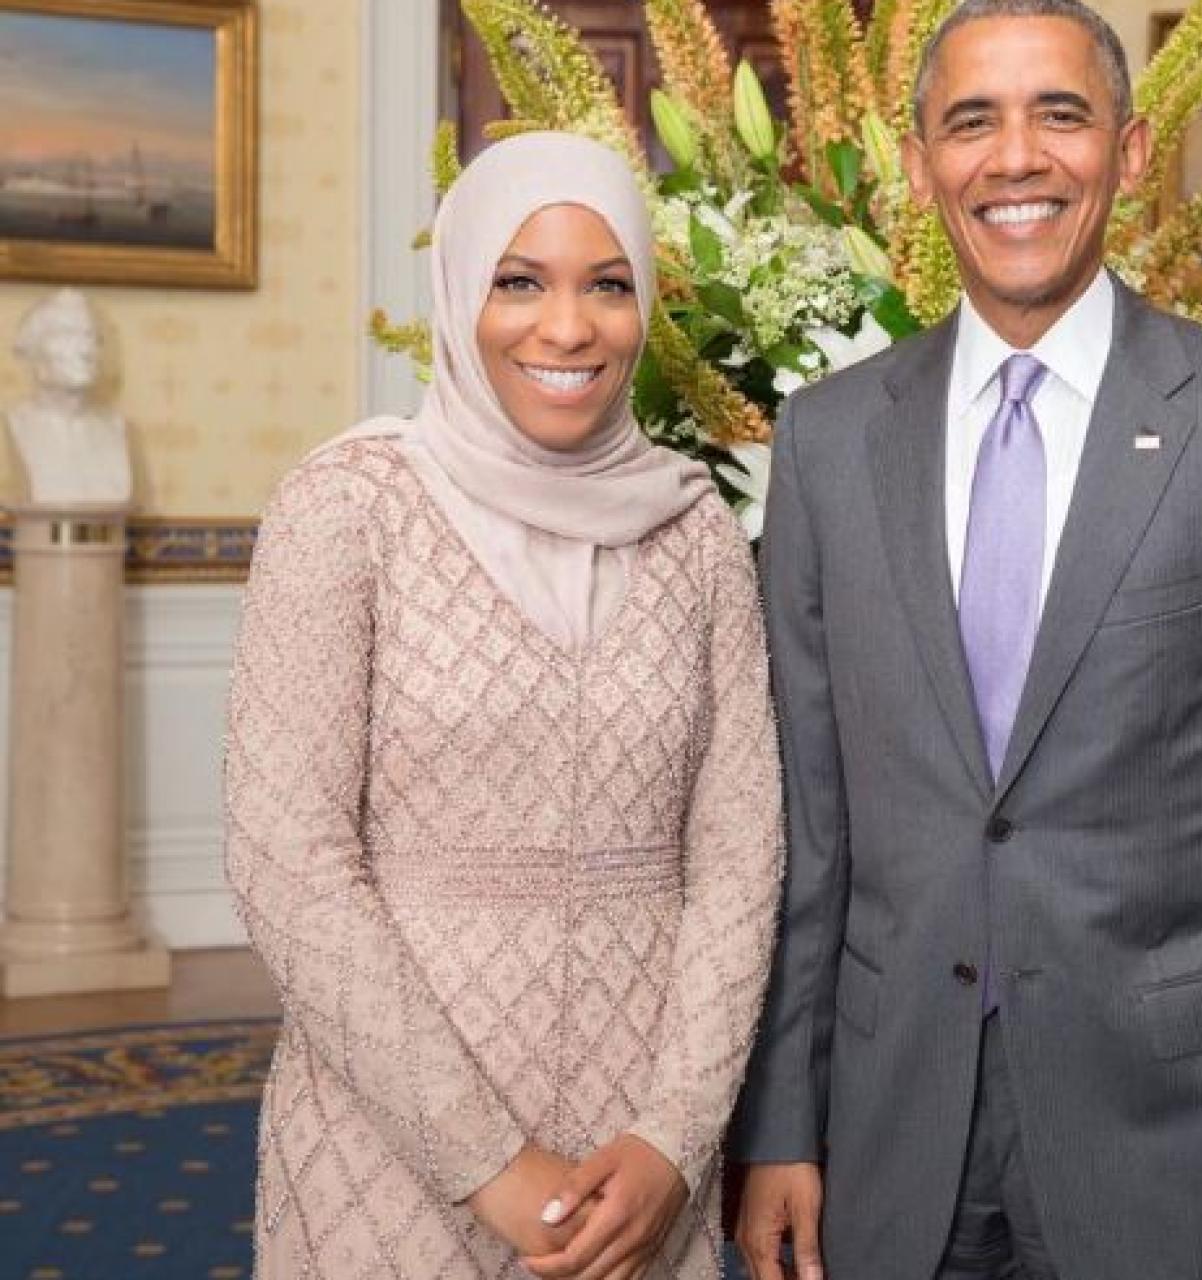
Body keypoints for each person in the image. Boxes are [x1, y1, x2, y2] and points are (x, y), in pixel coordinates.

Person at [730, 3, 1202, 1279]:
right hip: (886, 1120)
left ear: (1133, 152)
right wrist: (777, 1122)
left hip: (1168, 1129)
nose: (1015, 158)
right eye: (971, 122)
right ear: (921, 160)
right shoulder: (824, 440)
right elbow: (805, 833)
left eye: (1060, 114)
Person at [225, 131, 781, 1280]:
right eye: (518, 280)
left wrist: (673, 1139)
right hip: (385, 1141)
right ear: (458, 290)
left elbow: (739, 858)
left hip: (636, 1162)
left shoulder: (698, 533)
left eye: (607, 284)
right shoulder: (348, 507)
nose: (566, 327)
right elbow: (288, 857)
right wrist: (489, 1161)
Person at [7, 288, 131, 505]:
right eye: (67, 335)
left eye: (91, 337)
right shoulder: (17, 423)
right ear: (35, 351)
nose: (86, 350)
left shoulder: (114, 426)